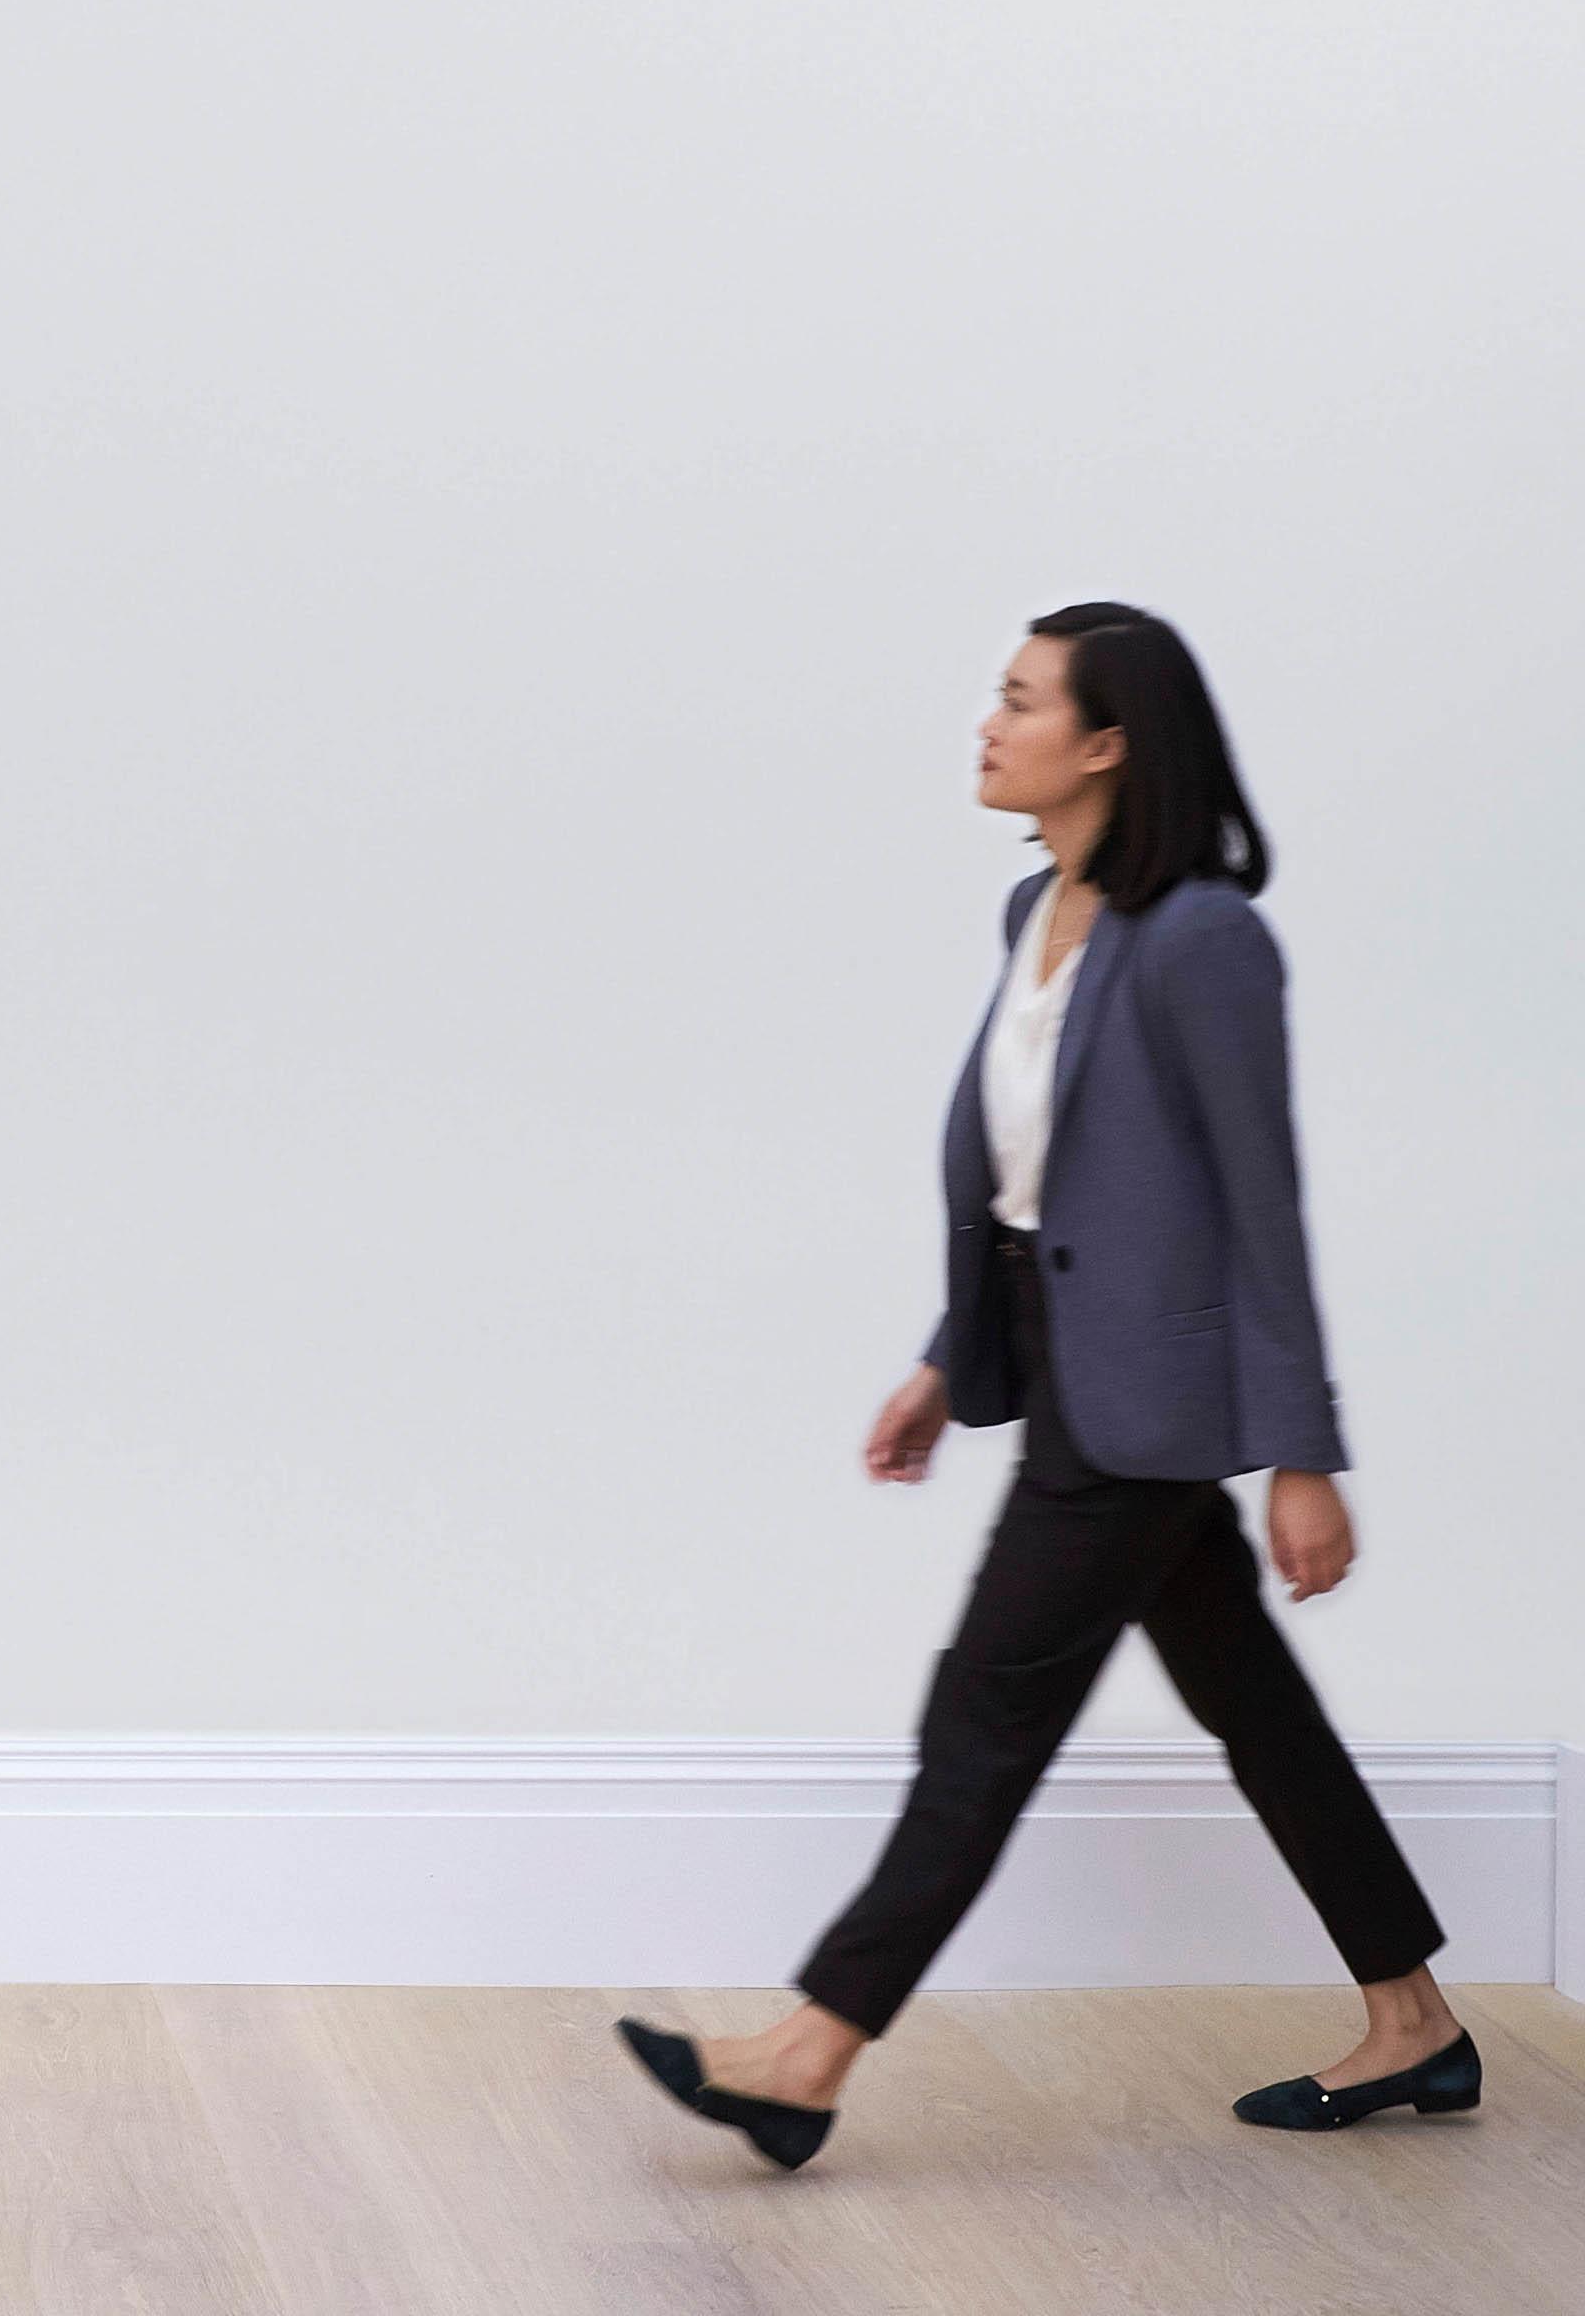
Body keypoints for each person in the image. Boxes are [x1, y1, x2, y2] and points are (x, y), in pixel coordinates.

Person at [617, 605, 1469, 2174]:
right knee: (1251, 1704)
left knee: (986, 1714)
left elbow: (1255, 1204)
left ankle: (809, 2054)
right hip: (1067, 1370)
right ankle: (1414, 2020)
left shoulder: (1205, 936)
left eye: (1018, 701)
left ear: (1107, 741)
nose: (987, 724)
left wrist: (1300, 1450)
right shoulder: (1034, 908)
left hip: (1140, 1407)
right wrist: (957, 1356)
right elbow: (1042, 1183)